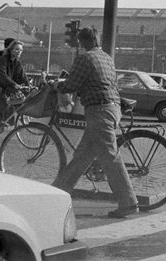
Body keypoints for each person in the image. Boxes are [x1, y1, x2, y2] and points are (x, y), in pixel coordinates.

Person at [51, 27, 138, 219]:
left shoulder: (85, 58)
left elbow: (72, 84)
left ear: (82, 42)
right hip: (112, 108)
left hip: (99, 111)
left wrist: (58, 85)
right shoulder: (106, 57)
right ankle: (57, 193)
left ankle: (129, 202)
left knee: (110, 156)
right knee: (82, 156)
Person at [0, 39, 28, 133]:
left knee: (13, 99)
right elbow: (2, 75)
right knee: (1, 99)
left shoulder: (17, 63)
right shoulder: (3, 60)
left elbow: (22, 76)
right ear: (11, 50)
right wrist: (14, 84)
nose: (19, 52)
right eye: (16, 49)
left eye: (21, 50)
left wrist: (29, 86)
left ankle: (7, 120)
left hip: (3, 83)